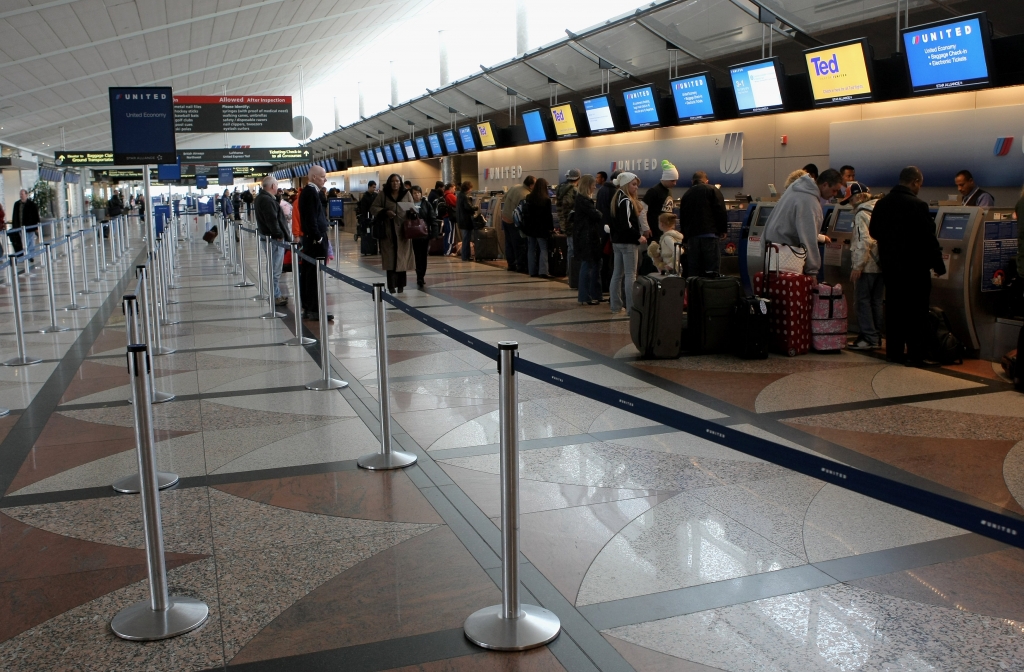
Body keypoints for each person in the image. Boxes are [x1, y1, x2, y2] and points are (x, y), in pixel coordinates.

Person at [869, 166, 945, 366]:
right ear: (915, 182)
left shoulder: (882, 204)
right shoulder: (918, 205)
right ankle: (915, 355)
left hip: (891, 269)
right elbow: (929, 239)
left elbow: (874, 231)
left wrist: (890, 245)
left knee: (894, 310)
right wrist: (939, 265)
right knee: (916, 312)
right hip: (915, 270)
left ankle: (893, 352)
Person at [762, 169, 843, 277]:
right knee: (790, 292)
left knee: (774, 290)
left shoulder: (795, 188)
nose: (834, 195)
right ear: (825, 185)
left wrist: (820, 237)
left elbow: (793, 226)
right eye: (834, 190)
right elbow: (808, 239)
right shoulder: (810, 202)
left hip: (770, 252)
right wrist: (812, 272)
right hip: (786, 257)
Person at [848, 192, 884, 350]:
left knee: (862, 302)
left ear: (859, 197)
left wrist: (858, 266)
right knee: (876, 302)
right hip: (880, 265)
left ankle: (868, 338)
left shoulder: (861, 214)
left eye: (850, 199)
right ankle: (876, 336)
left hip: (867, 265)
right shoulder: (878, 210)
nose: (850, 203)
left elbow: (864, 241)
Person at [608, 172, 647, 314]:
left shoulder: (616, 198)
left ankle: (616, 306)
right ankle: (631, 307)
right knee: (631, 275)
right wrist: (638, 237)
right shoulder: (625, 201)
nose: (636, 188)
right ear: (626, 184)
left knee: (617, 274)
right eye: (634, 184)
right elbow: (627, 224)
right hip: (628, 242)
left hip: (617, 242)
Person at [298, 165, 333, 321]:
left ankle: (309, 307)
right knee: (314, 274)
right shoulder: (311, 193)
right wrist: (318, 237)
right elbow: (311, 218)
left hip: (312, 238)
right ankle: (314, 309)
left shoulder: (310, 192)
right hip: (314, 240)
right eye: (322, 176)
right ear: (313, 177)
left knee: (310, 273)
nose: (325, 179)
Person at [678, 170, 727, 278]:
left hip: (692, 238)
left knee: (694, 270)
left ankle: (694, 293)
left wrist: (685, 238)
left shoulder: (687, 194)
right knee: (711, 269)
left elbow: (683, 217)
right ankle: (710, 292)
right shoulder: (713, 190)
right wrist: (723, 229)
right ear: (706, 181)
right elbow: (720, 211)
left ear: (692, 181)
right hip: (710, 236)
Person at [371, 173, 416, 293]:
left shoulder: (406, 194)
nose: (395, 183)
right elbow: (374, 208)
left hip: (403, 232)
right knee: (390, 259)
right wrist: (385, 212)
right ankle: (391, 285)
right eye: (392, 181)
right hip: (388, 231)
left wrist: (412, 212)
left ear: (400, 182)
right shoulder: (383, 195)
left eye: (397, 181)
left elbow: (413, 209)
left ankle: (401, 285)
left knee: (402, 258)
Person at [254, 176, 292, 306]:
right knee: (275, 268)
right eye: (276, 185)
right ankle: (275, 296)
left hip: (268, 237)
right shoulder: (266, 200)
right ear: (272, 186)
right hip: (273, 239)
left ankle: (275, 294)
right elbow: (272, 219)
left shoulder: (262, 198)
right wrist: (278, 234)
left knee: (273, 266)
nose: (277, 187)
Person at [574, 174, 603, 305]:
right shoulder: (584, 201)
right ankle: (585, 295)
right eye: (593, 185)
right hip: (587, 238)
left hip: (587, 237)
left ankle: (592, 294)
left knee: (592, 264)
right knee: (587, 266)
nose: (594, 187)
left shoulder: (581, 200)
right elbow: (596, 215)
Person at [520, 178, 554, 278]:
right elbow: (548, 216)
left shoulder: (529, 197)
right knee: (543, 249)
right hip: (541, 228)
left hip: (530, 228)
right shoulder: (546, 200)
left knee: (531, 249)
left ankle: (532, 271)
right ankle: (543, 271)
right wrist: (551, 228)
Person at [500, 175, 534, 273]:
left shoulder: (514, 187)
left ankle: (511, 264)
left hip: (504, 218)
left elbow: (504, 198)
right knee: (518, 244)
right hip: (513, 221)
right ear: (531, 185)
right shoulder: (526, 195)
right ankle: (520, 266)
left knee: (509, 243)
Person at [409, 186, 436, 288]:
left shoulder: (426, 204)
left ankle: (421, 275)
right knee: (416, 256)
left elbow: (432, 218)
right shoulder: (409, 205)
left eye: (418, 193)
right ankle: (419, 275)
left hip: (424, 234)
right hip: (413, 235)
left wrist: (434, 233)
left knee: (423, 256)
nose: (417, 195)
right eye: (415, 193)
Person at [559, 168, 580, 272]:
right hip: (573, 223)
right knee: (574, 249)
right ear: (578, 178)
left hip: (564, 223)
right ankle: (573, 273)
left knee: (569, 248)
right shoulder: (575, 191)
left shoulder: (559, 188)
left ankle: (569, 271)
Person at [10, 189, 40, 258]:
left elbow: (36, 215)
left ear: (26, 195)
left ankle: (31, 255)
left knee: (31, 241)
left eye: (22, 194)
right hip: (20, 227)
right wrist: (15, 226)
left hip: (30, 227)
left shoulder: (32, 204)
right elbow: (14, 215)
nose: (21, 196)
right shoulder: (17, 204)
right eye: (20, 194)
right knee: (23, 242)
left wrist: (36, 226)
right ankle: (26, 254)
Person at [455, 181, 478, 262]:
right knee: (466, 239)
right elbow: (469, 207)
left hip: (461, 220)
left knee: (465, 239)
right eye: (470, 188)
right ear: (468, 188)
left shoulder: (459, 196)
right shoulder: (464, 197)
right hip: (466, 221)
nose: (471, 190)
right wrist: (476, 207)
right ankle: (465, 256)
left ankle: (465, 256)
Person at [443, 183, 458, 256]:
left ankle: (446, 250)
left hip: (446, 217)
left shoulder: (444, 194)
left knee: (447, 234)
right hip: (450, 217)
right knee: (450, 234)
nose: (454, 190)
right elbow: (457, 203)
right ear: (450, 188)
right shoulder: (450, 195)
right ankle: (448, 251)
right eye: (454, 188)